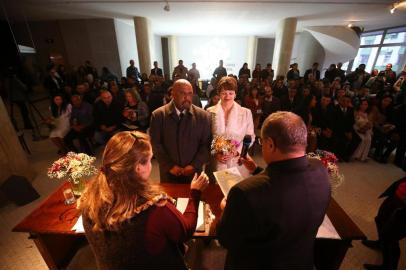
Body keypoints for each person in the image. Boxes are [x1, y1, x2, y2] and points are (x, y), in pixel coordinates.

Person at [217, 111, 331, 270]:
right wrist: (257, 170)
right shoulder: (320, 169)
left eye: (261, 142)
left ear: (270, 144)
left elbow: (226, 239)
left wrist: (225, 209)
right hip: (300, 261)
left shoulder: (244, 192)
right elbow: (287, 186)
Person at [79, 131, 209, 270]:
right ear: (138, 167)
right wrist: (195, 193)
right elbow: (186, 231)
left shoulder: (88, 199)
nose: (151, 165)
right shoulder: (155, 207)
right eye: (149, 160)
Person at [150, 79, 211, 183]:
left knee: (193, 198)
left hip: (194, 173)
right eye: (182, 93)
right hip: (169, 173)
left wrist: (194, 165)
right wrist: (169, 166)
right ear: (172, 94)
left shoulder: (203, 116)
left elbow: (206, 144)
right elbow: (156, 144)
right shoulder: (158, 115)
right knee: (169, 199)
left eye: (190, 94)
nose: (187, 97)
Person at [207, 76, 255, 177]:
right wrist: (215, 153)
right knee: (216, 191)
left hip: (238, 160)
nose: (227, 96)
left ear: (235, 94)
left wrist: (236, 152)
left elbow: (250, 137)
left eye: (231, 93)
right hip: (216, 161)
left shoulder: (246, 112)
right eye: (224, 93)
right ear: (219, 94)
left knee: (236, 190)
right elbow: (205, 138)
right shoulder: (209, 112)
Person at [362, 176, 406, 270]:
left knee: (391, 236)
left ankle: (389, 267)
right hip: (397, 194)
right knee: (380, 219)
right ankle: (381, 243)